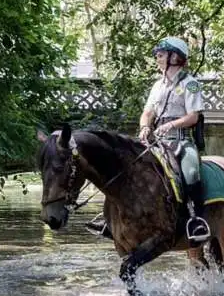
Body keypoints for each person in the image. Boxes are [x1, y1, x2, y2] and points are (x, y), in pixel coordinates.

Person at [86, 36, 210, 245]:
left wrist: (170, 125)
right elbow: (147, 112)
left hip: (180, 141)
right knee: (125, 166)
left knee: (191, 171)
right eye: (157, 55)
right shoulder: (157, 86)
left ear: (175, 57)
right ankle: (111, 219)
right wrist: (145, 126)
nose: (157, 58)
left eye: (161, 55)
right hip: (155, 141)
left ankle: (196, 220)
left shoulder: (191, 85)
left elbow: (193, 117)